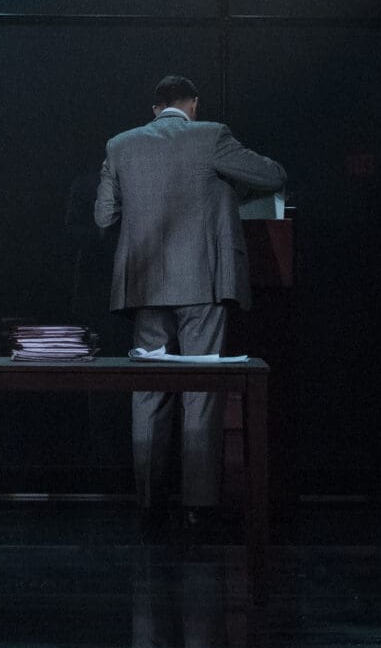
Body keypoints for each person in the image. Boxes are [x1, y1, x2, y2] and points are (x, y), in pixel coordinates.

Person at [94, 74, 287, 536]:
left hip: (143, 285)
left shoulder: (120, 145)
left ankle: (148, 505)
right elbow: (273, 175)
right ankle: (199, 508)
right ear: (193, 104)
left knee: (149, 393)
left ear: (154, 107)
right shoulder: (211, 135)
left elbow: (104, 216)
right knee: (201, 390)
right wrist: (227, 191)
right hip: (202, 280)